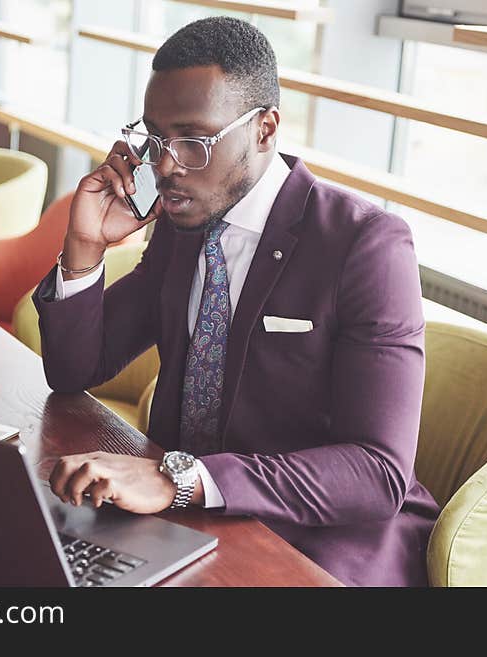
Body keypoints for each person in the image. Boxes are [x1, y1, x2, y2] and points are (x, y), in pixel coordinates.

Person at [35, 16, 441, 586]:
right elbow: (76, 369)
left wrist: (182, 479)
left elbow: (376, 472)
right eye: (153, 138)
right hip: (186, 520)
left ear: (266, 128)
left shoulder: (364, 244)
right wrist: (83, 248)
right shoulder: (181, 222)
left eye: (193, 141)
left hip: (320, 542)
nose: (166, 165)